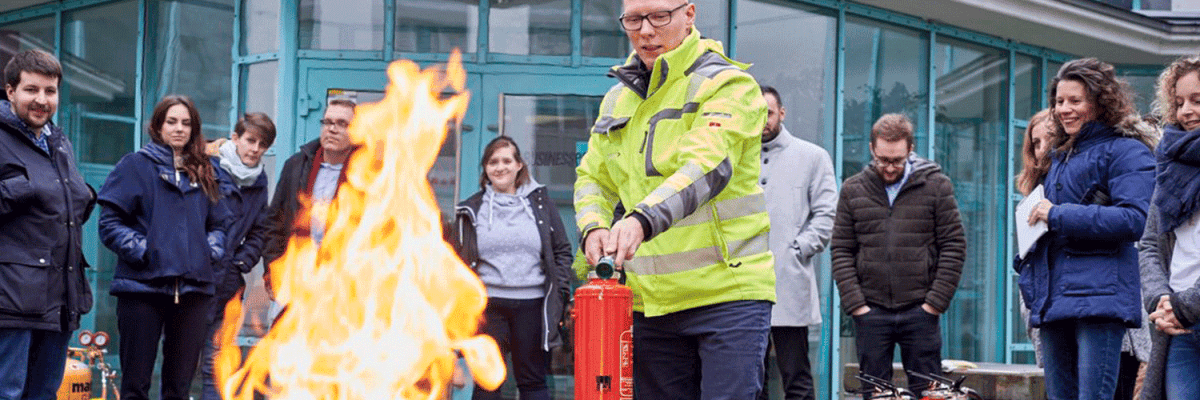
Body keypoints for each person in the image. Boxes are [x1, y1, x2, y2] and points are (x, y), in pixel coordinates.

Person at [573, 0, 776, 398]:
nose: (646, 30)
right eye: (633, 20)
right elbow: (591, 177)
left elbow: (706, 166)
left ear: (689, 14)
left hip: (726, 295)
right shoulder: (616, 99)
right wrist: (592, 226)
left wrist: (640, 220)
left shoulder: (728, 85)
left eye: (659, 17)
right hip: (651, 302)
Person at [1021, 58, 1157, 400]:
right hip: (1054, 302)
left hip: (1100, 301)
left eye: (1075, 101)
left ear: (1100, 101)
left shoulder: (1128, 152)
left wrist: (1058, 215)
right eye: (1059, 101)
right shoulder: (1061, 158)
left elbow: (1134, 220)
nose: (1064, 109)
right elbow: (1050, 225)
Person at [97, 95, 231, 400]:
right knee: (136, 386)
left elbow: (221, 225)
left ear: (194, 128)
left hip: (194, 292)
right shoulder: (134, 166)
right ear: (157, 125)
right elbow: (110, 224)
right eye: (171, 121)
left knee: (179, 387)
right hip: (141, 288)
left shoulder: (208, 172)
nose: (179, 129)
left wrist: (208, 251)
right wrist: (146, 250)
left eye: (186, 123)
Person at [830, 113, 966, 395]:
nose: (890, 167)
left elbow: (953, 246)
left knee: (930, 393)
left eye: (897, 160)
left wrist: (934, 304)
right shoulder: (852, 190)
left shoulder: (937, 187)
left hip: (920, 311)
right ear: (871, 150)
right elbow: (841, 250)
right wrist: (857, 306)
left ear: (910, 150)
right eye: (883, 160)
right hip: (871, 311)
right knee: (876, 394)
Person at [0, 49, 96, 400]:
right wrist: (22, 188)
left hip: (59, 298)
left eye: (50, 91)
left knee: (43, 394)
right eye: (31, 90)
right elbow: (31, 193)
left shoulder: (59, 143)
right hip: (10, 301)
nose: (42, 100)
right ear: (10, 91)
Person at [450, 136, 573, 400]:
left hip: (533, 306)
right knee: (488, 385)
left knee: (532, 382)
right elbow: (458, 261)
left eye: (507, 160)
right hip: (488, 306)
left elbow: (562, 250)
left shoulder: (541, 205)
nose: (500, 167)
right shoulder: (471, 209)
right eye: (493, 162)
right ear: (485, 168)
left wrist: (559, 292)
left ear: (519, 165)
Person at [755, 85, 836, 400]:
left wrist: (798, 248)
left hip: (788, 280)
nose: (763, 120)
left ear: (782, 113)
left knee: (797, 378)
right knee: (751, 379)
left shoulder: (812, 156)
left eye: (769, 113)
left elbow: (826, 214)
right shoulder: (734, 154)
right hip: (741, 284)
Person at [200, 112, 276, 400]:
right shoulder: (207, 169)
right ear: (235, 138)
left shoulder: (259, 181)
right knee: (179, 363)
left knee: (215, 364)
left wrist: (242, 262)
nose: (255, 149)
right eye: (250, 140)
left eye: (262, 144)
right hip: (193, 279)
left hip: (228, 285)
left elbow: (260, 229)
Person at [1139, 54, 1200, 400]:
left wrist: (1181, 306)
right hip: (1177, 326)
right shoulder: (1170, 162)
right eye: (1179, 103)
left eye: (1197, 100)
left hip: (1183, 311)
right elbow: (1149, 244)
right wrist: (1160, 299)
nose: (1186, 111)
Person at [262, 99, 356, 297]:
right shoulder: (296, 165)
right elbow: (274, 223)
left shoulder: (366, 174)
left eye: (342, 124)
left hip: (344, 286)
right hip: (296, 277)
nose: (332, 129)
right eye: (328, 122)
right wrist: (272, 271)